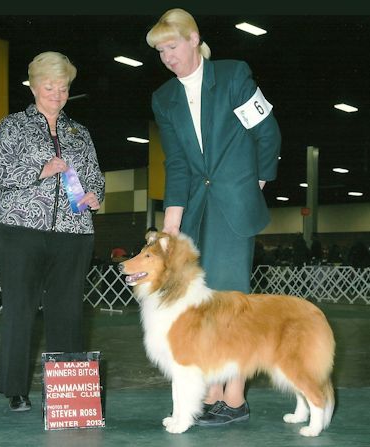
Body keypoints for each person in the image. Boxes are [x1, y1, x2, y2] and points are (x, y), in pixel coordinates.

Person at [146, 9, 281, 426]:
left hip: (234, 205)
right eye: (160, 51)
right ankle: (209, 393)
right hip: (194, 212)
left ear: (193, 39)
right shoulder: (163, 98)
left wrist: (253, 185)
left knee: (230, 305)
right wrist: (171, 222)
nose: (167, 57)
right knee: (199, 306)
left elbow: (267, 132)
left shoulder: (233, 75)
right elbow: (179, 164)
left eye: (172, 47)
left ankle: (235, 397)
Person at [0, 51, 105, 412]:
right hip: (20, 231)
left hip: (74, 231)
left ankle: (68, 394)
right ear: (33, 86)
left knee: (67, 311)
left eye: (63, 87)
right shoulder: (12, 125)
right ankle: (15, 389)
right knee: (20, 309)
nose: (56, 93)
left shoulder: (79, 133)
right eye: (49, 86)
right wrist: (40, 170)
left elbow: (95, 175)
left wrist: (96, 193)